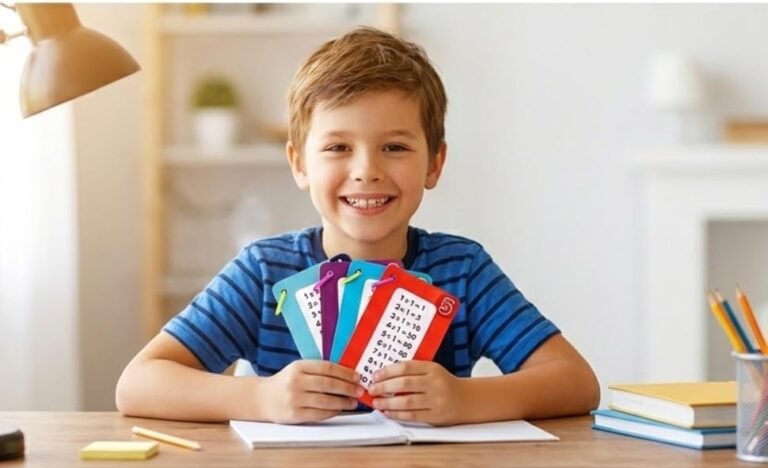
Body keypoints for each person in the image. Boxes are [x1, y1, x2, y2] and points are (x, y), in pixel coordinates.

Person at [116, 26, 599, 426]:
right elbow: (138, 384)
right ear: (299, 164)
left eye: (394, 147)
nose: (366, 170)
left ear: (435, 164)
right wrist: (261, 399)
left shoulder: (463, 269)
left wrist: (465, 400)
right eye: (337, 147)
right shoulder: (265, 271)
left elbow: (576, 381)